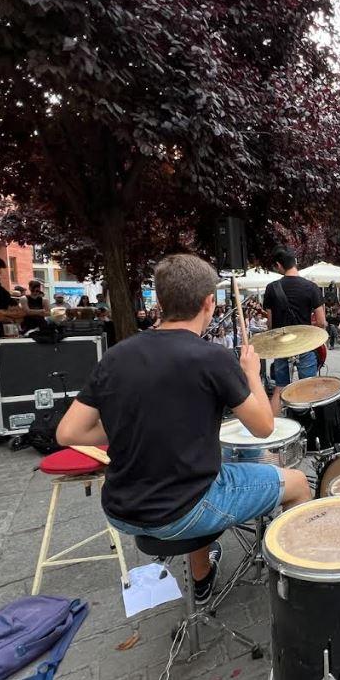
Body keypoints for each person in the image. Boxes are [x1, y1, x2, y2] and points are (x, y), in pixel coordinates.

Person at [56, 254, 312, 604]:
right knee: (295, 483)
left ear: (159, 302)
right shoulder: (212, 358)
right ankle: (300, 589)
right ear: (209, 303)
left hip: (122, 510)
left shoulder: (116, 355)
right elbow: (264, 427)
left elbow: (68, 433)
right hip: (182, 510)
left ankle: (202, 578)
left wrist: (125, 426)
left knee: (206, 467)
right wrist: (251, 372)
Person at [263, 245, 326, 413]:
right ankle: (309, 428)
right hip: (304, 346)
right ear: (295, 262)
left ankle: (274, 429)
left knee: (279, 387)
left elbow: (270, 325)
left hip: (281, 346)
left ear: (278, 265)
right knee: (308, 386)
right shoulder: (311, 287)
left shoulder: (271, 288)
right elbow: (321, 322)